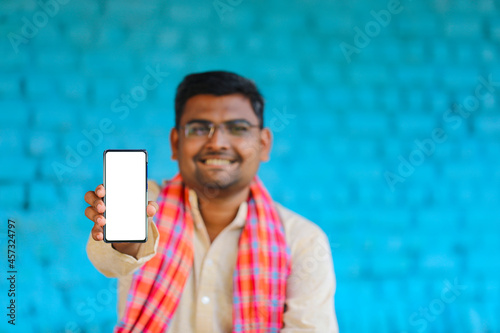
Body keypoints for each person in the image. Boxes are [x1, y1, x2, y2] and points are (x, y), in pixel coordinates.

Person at [85, 71, 339, 332]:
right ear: (176, 143)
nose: (217, 143)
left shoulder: (301, 240)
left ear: (263, 144)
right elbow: (110, 261)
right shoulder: (147, 206)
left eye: (238, 128)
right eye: (199, 129)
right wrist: (123, 244)